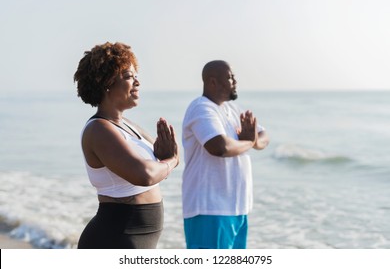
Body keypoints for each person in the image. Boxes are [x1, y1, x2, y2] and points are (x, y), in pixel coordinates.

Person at [73, 42, 179, 249]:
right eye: (129, 76)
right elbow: (146, 175)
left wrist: (167, 160)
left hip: (136, 238)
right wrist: (171, 161)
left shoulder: (126, 125)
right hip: (115, 238)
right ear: (107, 82)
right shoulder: (99, 129)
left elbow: (162, 162)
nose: (137, 82)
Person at [181, 60, 269, 249]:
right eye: (230, 77)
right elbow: (219, 147)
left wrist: (252, 140)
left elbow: (264, 136)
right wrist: (249, 141)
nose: (235, 81)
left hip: (237, 209)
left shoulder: (231, 109)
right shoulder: (201, 108)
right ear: (212, 82)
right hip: (209, 210)